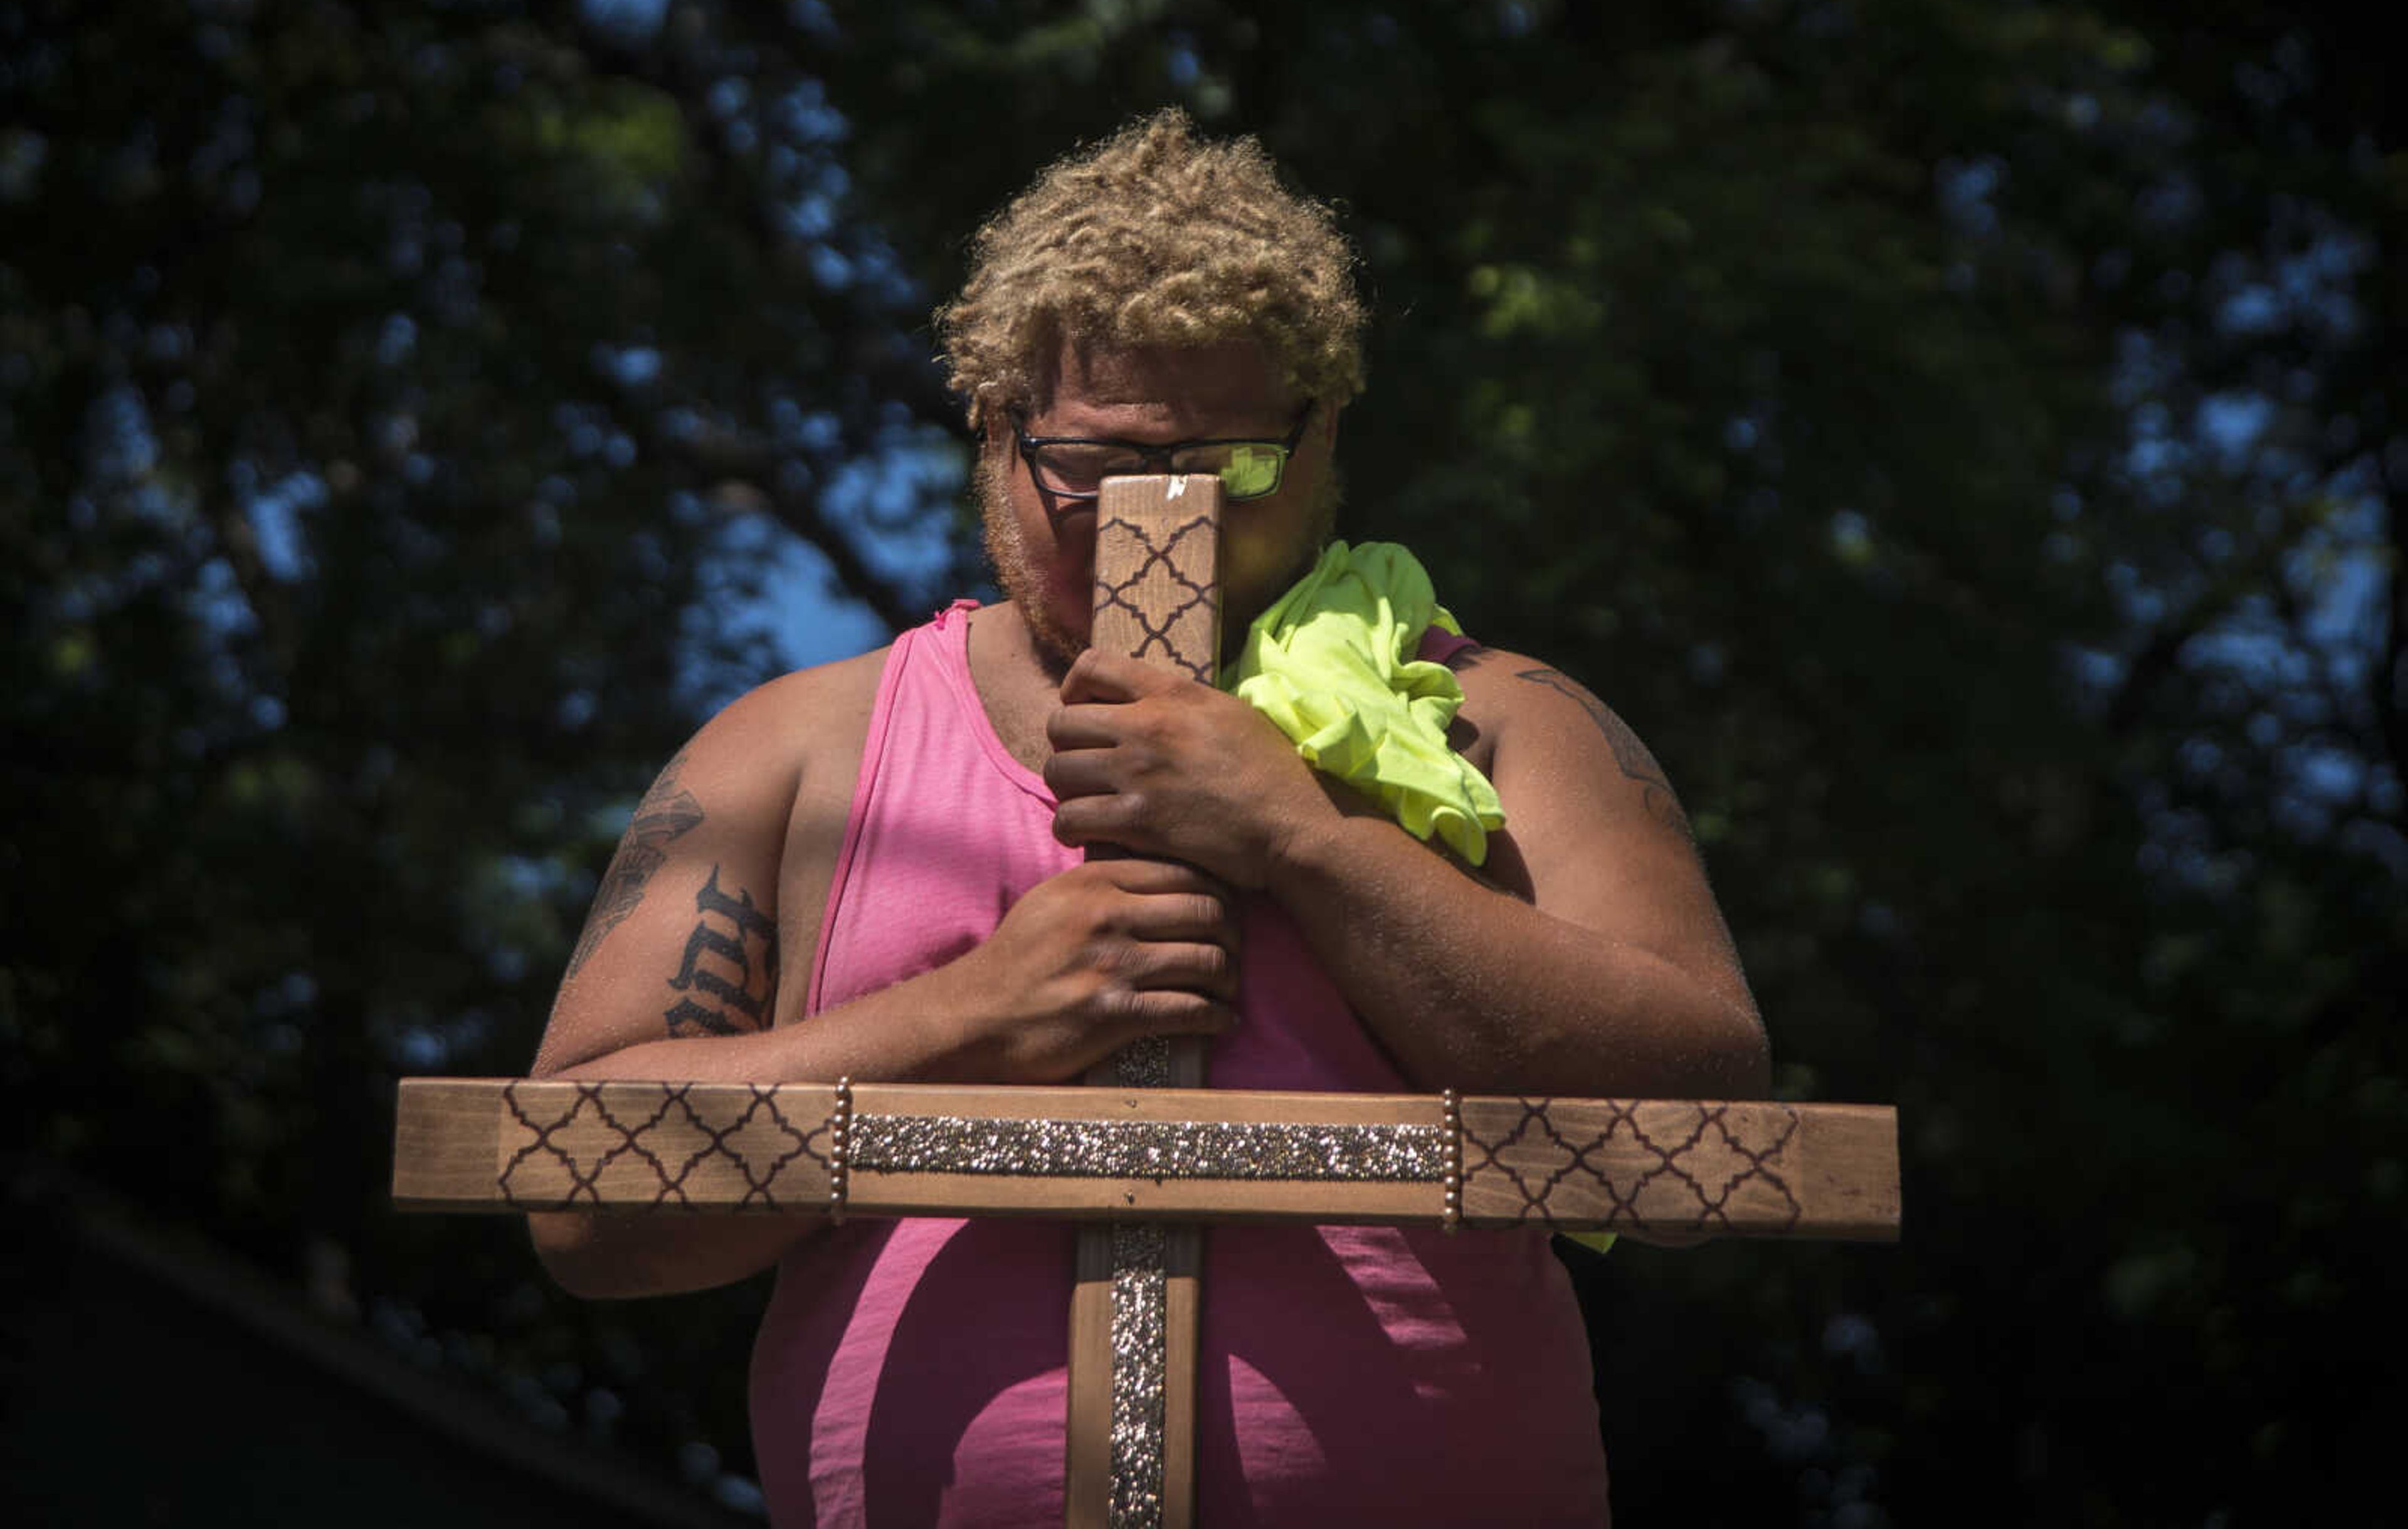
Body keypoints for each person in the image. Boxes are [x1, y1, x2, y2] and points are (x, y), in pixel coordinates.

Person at [527, 110, 1770, 1525]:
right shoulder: (800, 750)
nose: (1157, 517)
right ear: (994, 429)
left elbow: (1709, 1122)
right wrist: (971, 1018)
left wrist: (1306, 837)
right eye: (1097, 466)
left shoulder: (1491, 717)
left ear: (1325, 435)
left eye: (1225, 463)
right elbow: (577, 1198)